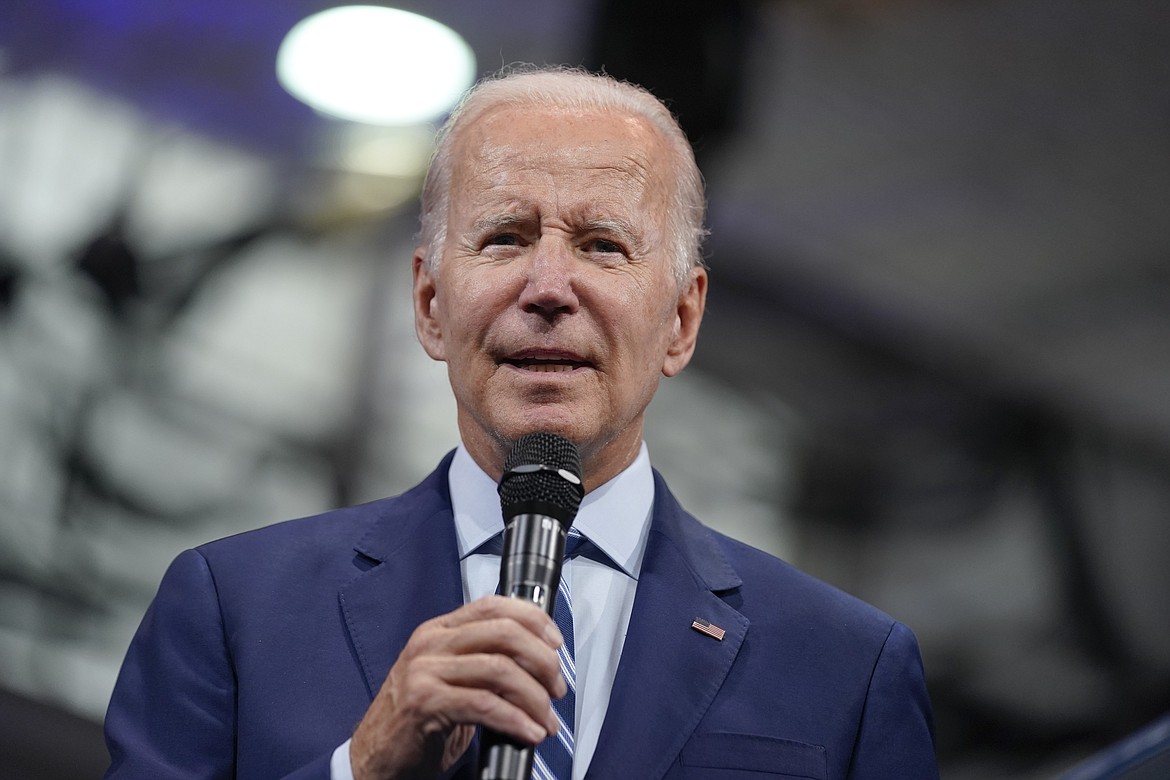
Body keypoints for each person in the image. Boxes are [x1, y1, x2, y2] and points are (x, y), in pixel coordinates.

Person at [103, 66, 938, 780]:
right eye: (504, 238)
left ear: (681, 321)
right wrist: (363, 769)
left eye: (603, 245)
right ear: (431, 304)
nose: (547, 286)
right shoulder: (232, 608)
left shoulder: (847, 669)